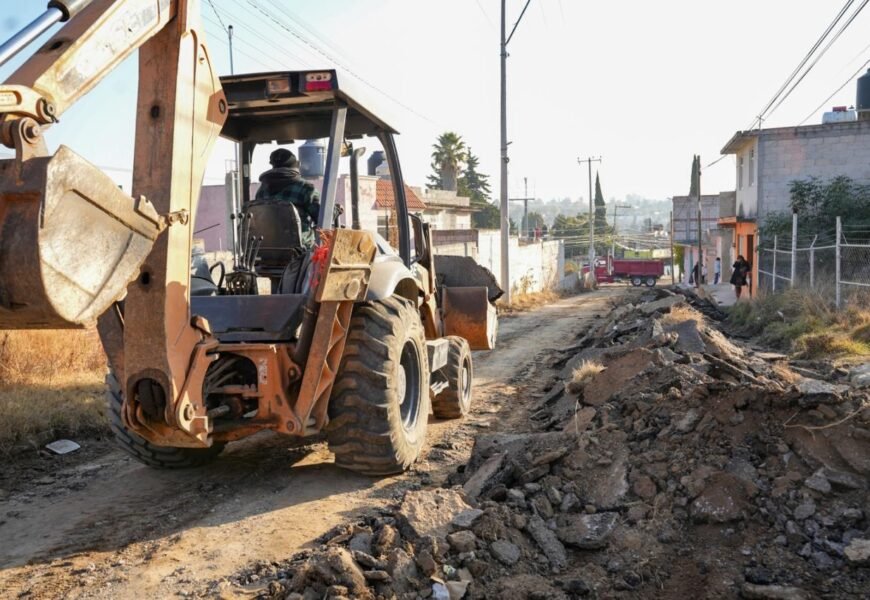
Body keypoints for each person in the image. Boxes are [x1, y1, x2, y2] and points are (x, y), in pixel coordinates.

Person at [255, 148, 321, 247]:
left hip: (267, 248)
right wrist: (336, 210)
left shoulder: (261, 190)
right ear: (296, 165)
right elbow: (321, 217)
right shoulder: (305, 188)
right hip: (300, 250)